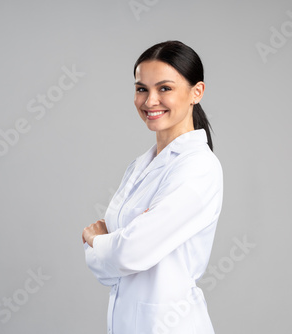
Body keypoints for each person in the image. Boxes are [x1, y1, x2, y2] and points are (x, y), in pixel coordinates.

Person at [82, 40, 223, 334]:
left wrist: (97, 240)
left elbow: (127, 253)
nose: (149, 101)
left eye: (165, 88)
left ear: (197, 92)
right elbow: (107, 272)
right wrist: (116, 247)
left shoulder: (198, 168)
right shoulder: (140, 166)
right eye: (141, 88)